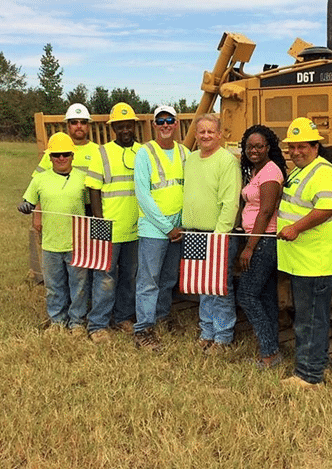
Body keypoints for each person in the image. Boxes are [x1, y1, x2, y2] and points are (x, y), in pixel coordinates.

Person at [276, 117, 332, 389]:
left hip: (316, 261)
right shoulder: (300, 170)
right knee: (310, 317)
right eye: (291, 147)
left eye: (302, 146)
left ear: (316, 146)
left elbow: (327, 208)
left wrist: (295, 228)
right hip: (302, 260)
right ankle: (317, 362)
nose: (295, 152)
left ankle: (309, 376)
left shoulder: (324, 172)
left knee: (310, 321)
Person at [17, 132, 89, 335]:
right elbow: (29, 201)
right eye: (56, 155)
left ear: (72, 156)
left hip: (77, 243)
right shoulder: (39, 179)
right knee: (54, 286)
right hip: (50, 243)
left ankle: (76, 322)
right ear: (49, 157)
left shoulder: (83, 179)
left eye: (65, 154)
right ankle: (57, 321)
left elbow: (93, 207)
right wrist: (25, 207)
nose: (61, 159)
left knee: (79, 286)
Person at [182, 114, 241, 352]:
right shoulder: (192, 159)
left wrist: (220, 234)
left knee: (220, 287)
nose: (205, 136)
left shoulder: (227, 161)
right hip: (193, 233)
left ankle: (223, 336)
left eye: (210, 132)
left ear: (219, 135)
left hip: (217, 236)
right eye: (201, 131)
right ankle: (206, 331)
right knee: (202, 285)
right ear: (195, 135)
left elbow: (230, 202)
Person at [132, 105, 190, 352]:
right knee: (149, 280)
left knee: (168, 278)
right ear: (154, 125)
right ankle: (143, 329)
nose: (166, 125)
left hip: (178, 229)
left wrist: (180, 226)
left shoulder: (185, 152)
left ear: (176, 124)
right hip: (155, 229)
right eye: (161, 121)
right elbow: (142, 194)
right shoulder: (145, 153)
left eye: (170, 120)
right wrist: (167, 227)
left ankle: (162, 316)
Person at [85, 102, 141, 344]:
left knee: (130, 276)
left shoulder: (143, 151)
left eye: (129, 125)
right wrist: (100, 222)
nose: (125, 130)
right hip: (109, 226)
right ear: (114, 128)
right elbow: (93, 188)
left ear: (134, 126)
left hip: (137, 228)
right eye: (121, 126)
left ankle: (123, 317)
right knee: (105, 278)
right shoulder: (102, 152)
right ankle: (97, 324)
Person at [236, 125, 287, 369]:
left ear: (268, 148)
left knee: (246, 294)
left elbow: (266, 211)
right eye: (249, 147)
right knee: (266, 297)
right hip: (260, 239)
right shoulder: (257, 170)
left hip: (264, 240)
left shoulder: (270, 172)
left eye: (259, 146)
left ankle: (269, 352)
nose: (253, 150)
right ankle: (272, 350)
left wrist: (249, 247)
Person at [31, 103, 99, 230]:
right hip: (59, 208)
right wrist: (37, 215)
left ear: (88, 126)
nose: (79, 126)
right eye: (74, 122)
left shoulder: (99, 152)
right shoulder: (54, 151)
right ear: (68, 125)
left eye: (83, 122)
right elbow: (38, 185)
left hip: (90, 209)